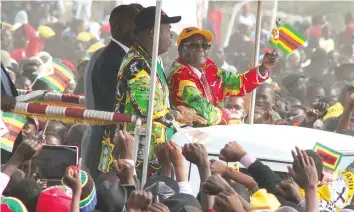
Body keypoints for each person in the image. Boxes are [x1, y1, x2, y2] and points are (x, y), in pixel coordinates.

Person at [98, 7, 204, 178]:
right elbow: (148, 107)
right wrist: (179, 115)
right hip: (132, 159)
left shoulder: (148, 59)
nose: (171, 35)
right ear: (153, 33)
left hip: (146, 155)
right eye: (168, 30)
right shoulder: (137, 64)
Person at [168, 27, 278, 126]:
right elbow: (208, 113)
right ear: (181, 49)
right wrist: (237, 115)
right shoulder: (180, 75)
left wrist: (263, 68)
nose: (200, 49)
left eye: (204, 45)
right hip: (185, 136)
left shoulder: (208, 68)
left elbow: (237, 83)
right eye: (194, 45)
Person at [81, 4, 144, 177]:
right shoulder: (112, 59)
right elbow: (118, 105)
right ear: (118, 27)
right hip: (107, 145)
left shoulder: (121, 56)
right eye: (136, 23)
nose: (140, 29)